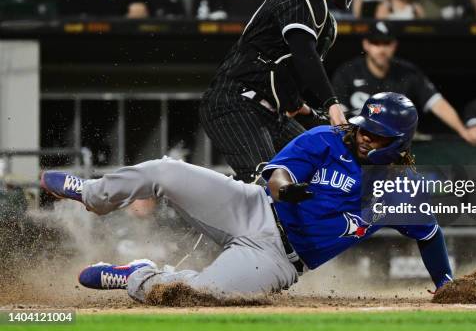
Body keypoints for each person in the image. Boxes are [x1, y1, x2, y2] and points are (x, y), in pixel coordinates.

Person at [40, 93, 453, 302]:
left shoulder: (398, 192)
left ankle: (138, 276)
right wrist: (286, 189)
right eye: (364, 128)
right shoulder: (328, 139)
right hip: (252, 206)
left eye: (375, 135)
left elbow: (429, 234)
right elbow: (277, 174)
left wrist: (445, 283)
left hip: (279, 259)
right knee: (166, 170)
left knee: (198, 297)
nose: (364, 136)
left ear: (399, 142)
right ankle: (92, 193)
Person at [200, 0, 365, 182]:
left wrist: (304, 110)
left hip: (270, 112)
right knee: (269, 185)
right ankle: (185, 217)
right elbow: (303, 54)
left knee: (325, 175)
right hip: (236, 102)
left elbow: (288, 71)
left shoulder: (325, 18)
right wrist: (332, 105)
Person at [332, 21, 475, 144]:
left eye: (386, 43)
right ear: (366, 44)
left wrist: (463, 131)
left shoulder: (408, 73)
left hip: (396, 147)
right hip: (359, 143)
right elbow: (338, 115)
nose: (381, 49)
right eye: (376, 43)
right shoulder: (347, 72)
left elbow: (437, 103)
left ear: (394, 45)